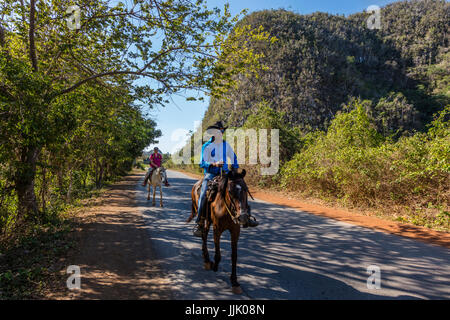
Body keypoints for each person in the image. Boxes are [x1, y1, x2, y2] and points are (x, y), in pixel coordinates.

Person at [193, 121, 258, 237]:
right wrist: (214, 164)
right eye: (219, 131)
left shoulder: (225, 145)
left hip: (226, 174)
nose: (221, 133)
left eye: (222, 131)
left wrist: (235, 169)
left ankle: (246, 216)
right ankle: (200, 222)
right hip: (211, 174)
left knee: (242, 187)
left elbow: (234, 157)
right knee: (203, 193)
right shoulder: (206, 146)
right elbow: (202, 163)